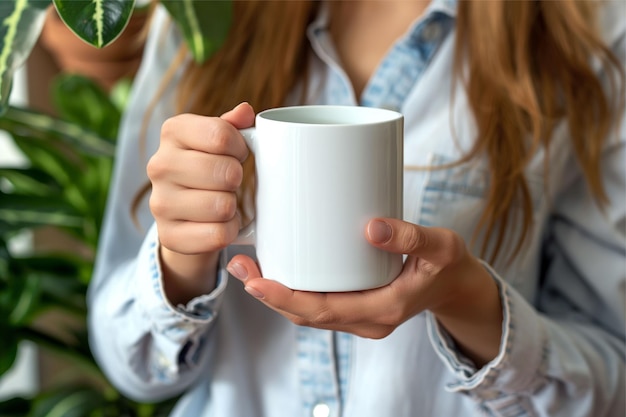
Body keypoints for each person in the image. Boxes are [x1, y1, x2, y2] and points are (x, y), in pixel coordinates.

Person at [87, 1, 626, 416]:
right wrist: (181, 259)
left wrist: (469, 303)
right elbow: (130, 367)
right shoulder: (201, 17)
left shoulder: (587, 30)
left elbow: (612, 382)